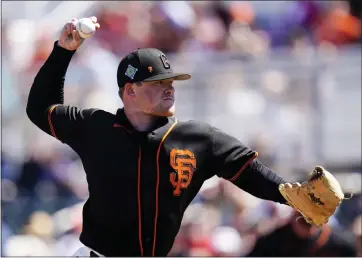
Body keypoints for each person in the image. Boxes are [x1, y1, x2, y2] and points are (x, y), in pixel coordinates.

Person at [26, 16, 331, 257]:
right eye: (158, 82)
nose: (169, 87)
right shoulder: (96, 127)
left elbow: (249, 173)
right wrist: (63, 52)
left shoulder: (198, 138)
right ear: (130, 91)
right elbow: (41, 108)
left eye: (171, 80)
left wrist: (292, 195)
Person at [246, 210, 357, 257]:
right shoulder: (272, 240)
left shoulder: (341, 242)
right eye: (303, 219)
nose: (308, 224)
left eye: (313, 221)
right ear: (293, 215)